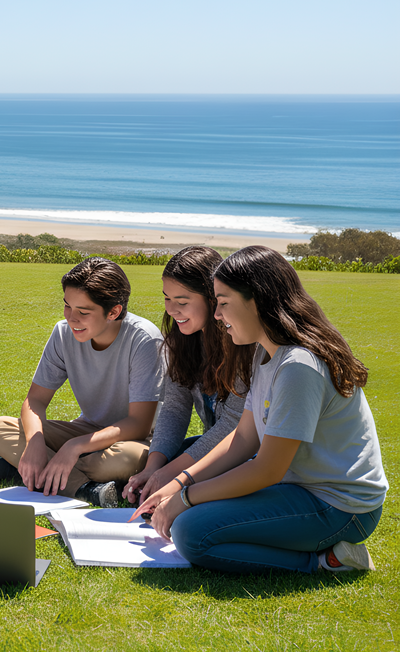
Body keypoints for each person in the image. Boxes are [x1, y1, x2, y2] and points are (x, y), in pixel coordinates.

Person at [132, 246, 387, 574]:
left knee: (191, 533)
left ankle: (325, 562)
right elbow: (243, 439)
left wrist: (186, 497)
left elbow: (267, 470)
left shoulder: (299, 365)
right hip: (297, 488)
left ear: (258, 301)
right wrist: (179, 484)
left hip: (339, 506)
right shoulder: (264, 354)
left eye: (224, 303)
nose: (218, 315)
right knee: (189, 515)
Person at [0, 257, 163, 506]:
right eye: (67, 306)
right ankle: (86, 488)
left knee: (124, 460)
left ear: (113, 312)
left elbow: (139, 425)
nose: (71, 318)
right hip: (86, 431)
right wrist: (35, 443)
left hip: (133, 440)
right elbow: (35, 400)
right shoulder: (62, 333)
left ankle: (26, 471)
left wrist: (73, 448)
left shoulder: (144, 340)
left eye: (83, 312)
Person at [122, 246, 252, 505]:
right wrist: (153, 469)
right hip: (213, 446)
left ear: (213, 298)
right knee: (143, 460)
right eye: (167, 298)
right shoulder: (181, 341)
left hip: (244, 453)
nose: (171, 310)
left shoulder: (241, 343)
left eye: (182, 302)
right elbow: (174, 408)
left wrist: (169, 475)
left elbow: (233, 425)